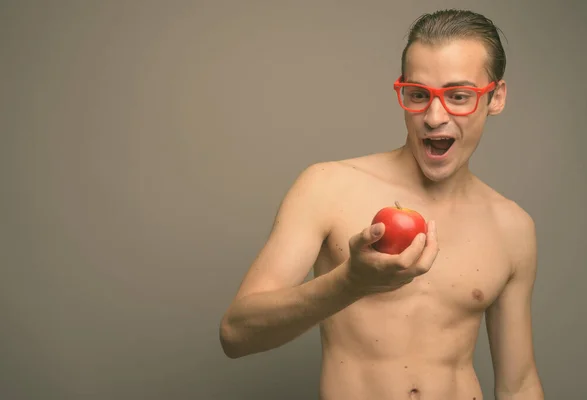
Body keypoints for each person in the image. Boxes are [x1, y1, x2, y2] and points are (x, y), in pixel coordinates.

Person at [219, 8, 544, 400]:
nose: (434, 116)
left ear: (496, 98)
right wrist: (349, 283)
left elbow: (519, 384)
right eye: (418, 95)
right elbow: (236, 335)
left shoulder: (513, 227)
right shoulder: (326, 187)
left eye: (459, 96)